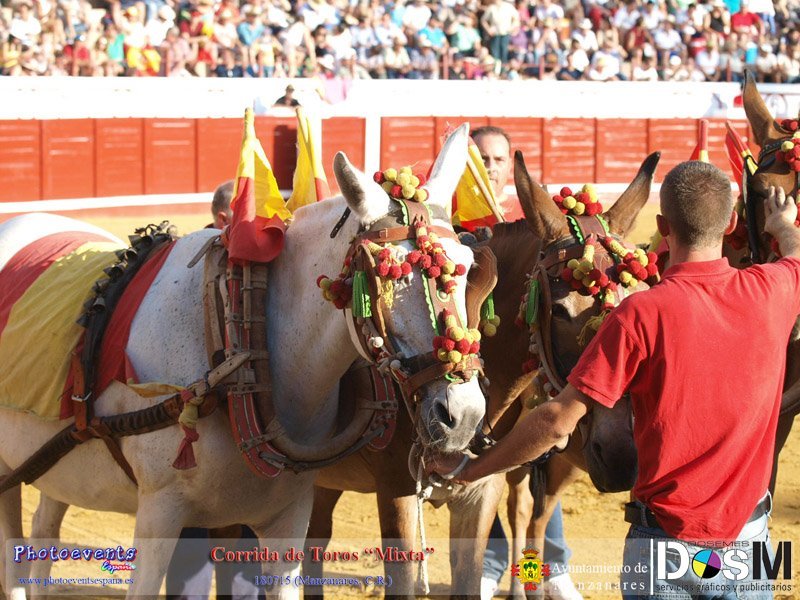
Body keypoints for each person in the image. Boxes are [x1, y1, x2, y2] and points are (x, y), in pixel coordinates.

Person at [431, 161, 800, 599]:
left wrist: (470, 469)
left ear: (662, 227)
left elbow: (556, 422)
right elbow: (796, 256)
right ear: (732, 223)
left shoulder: (640, 313)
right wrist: (783, 226)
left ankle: (539, 568)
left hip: (665, 545)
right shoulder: (774, 289)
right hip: (750, 544)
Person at [470, 125, 582, 600]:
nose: (491, 168)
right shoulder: (449, 219)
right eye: (482, 159)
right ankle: (497, 563)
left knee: (534, 480)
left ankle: (543, 569)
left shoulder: (529, 225)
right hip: (472, 366)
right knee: (488, 474)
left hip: (526, 372)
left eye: (499, 159)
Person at [165, 179, 264, 600]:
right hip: (202, 418)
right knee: (194, 507)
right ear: (225, 218)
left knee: (239, 509)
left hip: (242, 416)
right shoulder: (192, 261)